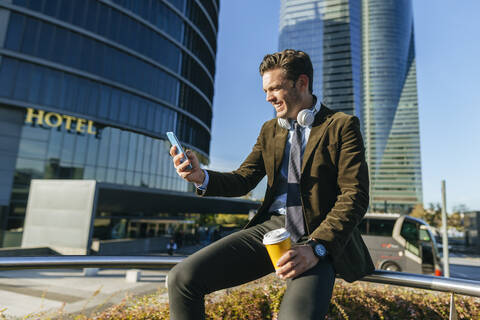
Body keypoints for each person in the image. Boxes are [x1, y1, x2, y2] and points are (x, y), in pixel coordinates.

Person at [167, 49, 374, 319]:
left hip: (317, 237)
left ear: (302, 83)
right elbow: (243, 179)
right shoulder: (270, 130)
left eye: (275, 88)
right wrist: (201, 176)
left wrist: (317, 247)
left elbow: (354, 196)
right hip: (273, 229)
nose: (268, 98)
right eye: (266, 90)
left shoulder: (341, 126)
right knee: (182, 279)